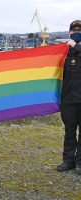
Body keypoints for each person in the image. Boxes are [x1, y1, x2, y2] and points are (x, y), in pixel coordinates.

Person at [57, 20, 81, 175]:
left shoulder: (75, 47)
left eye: (79, 30)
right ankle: (68, 161)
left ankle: (80, 163)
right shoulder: (64, 52)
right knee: (70, 131)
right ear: (69, 32)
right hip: (68, 99)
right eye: (73, 30)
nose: (76, 32)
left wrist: (76, 46)